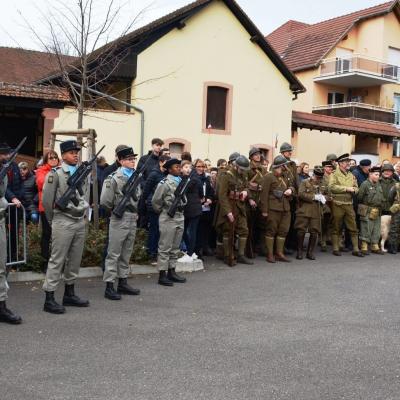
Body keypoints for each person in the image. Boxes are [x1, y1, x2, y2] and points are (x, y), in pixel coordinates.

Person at [42, 140, 90, 314]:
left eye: (76, 152)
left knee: (75, 259)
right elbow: (47, 201)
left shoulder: (81, 173)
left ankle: (69, 294)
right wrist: (53, 220)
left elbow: (85, 197)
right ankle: (49, 298)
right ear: (63, 155)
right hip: (62, 220)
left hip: (78, 221)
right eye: (71, 152)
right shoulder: (55, 174)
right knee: (57, 260)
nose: (75, 154)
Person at [100, 146, 141, 300]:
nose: (133, 161)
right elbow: (105, 201)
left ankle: (122, 282)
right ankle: (109, 285)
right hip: (119, 217)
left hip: (131, 217)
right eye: (129, 159)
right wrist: (116, 210)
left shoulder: (134, 177)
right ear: (120, 160)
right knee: (114, 253)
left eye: (133, 159)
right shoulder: (113, 178)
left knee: (126, 252)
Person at [152, 159, 187, 286]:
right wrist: (164, 212)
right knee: (165, 246)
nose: (179, 168)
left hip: (179, 216)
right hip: (168, 216)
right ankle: (162, 274)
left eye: (179, 166)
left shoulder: (181, 182)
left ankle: (172, 271)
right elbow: (156, 201)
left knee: (175, 247)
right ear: (169, 169)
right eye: (176, 167)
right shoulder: (164, 183)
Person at [215, 155, 253, 266]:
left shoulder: (244, 174)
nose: (243, 171)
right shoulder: (226, 175)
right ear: (236, 166)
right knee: (227, 231)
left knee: (244, 230)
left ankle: (240, 255)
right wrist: (228, 212)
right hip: (230, 206)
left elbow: (246, 186)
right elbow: (222, 195)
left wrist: (246, 191)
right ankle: (227, 256)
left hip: (240, 206)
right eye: (241, 169)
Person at [0, 144, 22, 324]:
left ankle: (1, 306)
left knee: (1, 266)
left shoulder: (4, 170)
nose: (7, 156)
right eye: (3, 154)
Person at [260, 155, 294, 263]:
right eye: (284, 166)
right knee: (271, 230)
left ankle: (279, 253)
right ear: (280, 166)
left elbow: (292, 186)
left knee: (283, 230)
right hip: (273, 208)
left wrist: (290, 190)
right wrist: (264, 211)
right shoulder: (268, 177)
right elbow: (263, 195)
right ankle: (270, 254)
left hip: (285, 208)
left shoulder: (285, 177)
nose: (285, 168)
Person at [328, 153, 363, 257]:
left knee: (353, 227)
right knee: (337, 226)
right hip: (337, 204)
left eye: (348, 162)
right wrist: (346, 189)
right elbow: (331, 187)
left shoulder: (351, 175)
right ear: (340, 163)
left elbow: (357, 188)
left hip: (349, 204)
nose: (348, 164)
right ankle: (335, 248)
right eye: (346, 162)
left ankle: (356, 249)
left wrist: (354, 190)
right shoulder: (334, 174)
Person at [142, 155, 171, 264]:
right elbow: (146, 191)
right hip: (153, 206)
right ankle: (151, 253)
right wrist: (143, 208)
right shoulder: (154, 174)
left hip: (162, 206)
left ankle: (159, 253)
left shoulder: (166, 174)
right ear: (161, 162)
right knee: (154, 230)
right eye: (167, 162)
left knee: (161, 231)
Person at [295, 166, 326, 260]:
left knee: (314, 232)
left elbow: (329, 194)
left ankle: (310, 252)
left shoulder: (323, 183)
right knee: (301, 231)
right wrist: (314, 197)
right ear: (314, 175)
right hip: (305, 209)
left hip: (317, 211)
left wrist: (324, 198)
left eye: (320, 178)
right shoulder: (305, 182)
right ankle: (299, 252)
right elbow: (300, 194)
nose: (319, 179)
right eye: (317, 177)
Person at [36, 150, 60, 271]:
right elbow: (41, 183)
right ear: (46, 160)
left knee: (58, 237)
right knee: (46, 235)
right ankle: (44, 263)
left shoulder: (60, 170)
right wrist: (52, 174)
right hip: (45, 208)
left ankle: (56, 262)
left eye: (55, 157)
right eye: (51, 158)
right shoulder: (42, 171)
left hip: (59, 208)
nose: (54, 159)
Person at [246, 147, 268, 257]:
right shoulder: (247, 168)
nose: (258, 156)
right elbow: (244, 184)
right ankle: (248, 248)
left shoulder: (263, 169)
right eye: (255, 154)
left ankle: (259, 247)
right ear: (251, 157)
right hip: (251, 199)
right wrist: (250, 197)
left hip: (261, 199)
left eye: (259, 154)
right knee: (250, 226)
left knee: (261, 225)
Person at [357, 166, 384, 255]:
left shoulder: (379, 184)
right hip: (367, 209)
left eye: (378, 175)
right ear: (370, 174)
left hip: (377, 209)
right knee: (366, 227)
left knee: (376, 228)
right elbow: (360, 197)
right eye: (376, 174)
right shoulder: (365, 184)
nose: (378, 176)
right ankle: (364, 245)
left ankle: (374, 245)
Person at [181, 160, 202, 260]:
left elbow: (200, 191)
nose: (188, 169)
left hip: (194, 208)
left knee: (192, 231)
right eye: (185, 167)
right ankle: (189, 250)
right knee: (184, 231)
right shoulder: (181, 178)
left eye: (189, 167)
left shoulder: (194, 179)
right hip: (185, 209)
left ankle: (190, 253)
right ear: (181, 169)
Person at [279, 142, 299, 253]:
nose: (290, 152)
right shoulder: (278, 163)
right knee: (284, 223)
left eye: (290, 150)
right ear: (282, 152)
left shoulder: (292, 164)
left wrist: (297, 192)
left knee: (292, 222)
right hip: (283, 196)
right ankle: (283, 246)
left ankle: (292, 243)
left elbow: (295, 179)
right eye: (288, 151)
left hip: (292, 195)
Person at [194, 159, 215, 258]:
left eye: (203, 167)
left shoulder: (206, 179)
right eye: (199, 166)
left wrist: (210, 199)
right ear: (195, 167)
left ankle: (205, 247)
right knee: (197, 230)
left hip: (206, 207)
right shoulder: (193, 178)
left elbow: (211, 192)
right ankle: (197, 251)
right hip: (196, 207)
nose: (201, 169)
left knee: (206, 229)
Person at [380, 163, 399, 253]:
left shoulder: (395, 182)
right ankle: (376, 244)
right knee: (378, 228)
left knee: (391, 227)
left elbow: (392, 198)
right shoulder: (378, 181)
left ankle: (389, 245)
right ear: (382, 172)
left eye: (390, 171)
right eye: (385, 171)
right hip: (380, 208)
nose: (387, 172)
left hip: (391, 209)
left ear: (392, 172)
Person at [320, 160, 334, 252]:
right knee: (324, 222)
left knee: (331, 221)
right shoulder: (321, 177)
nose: (330, 168)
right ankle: (322, 240)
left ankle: (328, 238)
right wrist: (327, 198)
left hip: (333, 202)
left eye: (331, 167)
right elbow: (320, 192)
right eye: (328, 167)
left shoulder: (333, 177)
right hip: (324, 203)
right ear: (324, 168)